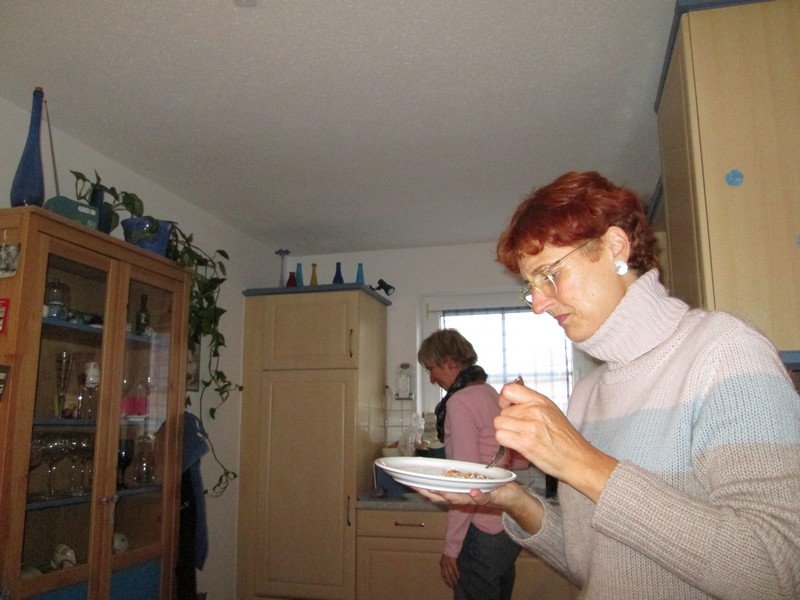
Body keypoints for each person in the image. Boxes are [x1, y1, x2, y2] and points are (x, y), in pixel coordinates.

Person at [416, 171, 800, 598]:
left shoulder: (724, 352)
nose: (538, 304)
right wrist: (510, 499)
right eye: (531, 288)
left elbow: (779, 571)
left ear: (615, 247)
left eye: (549, 275)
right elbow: (591, 563)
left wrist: (580, 462)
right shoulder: (589, 392)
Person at [418, 329, 525, 600]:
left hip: (482, 532)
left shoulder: (460, 402)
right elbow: (517, 461)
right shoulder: (490, 394)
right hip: (507, 527)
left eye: (431, 368)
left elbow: (466, 481)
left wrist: (451, 549)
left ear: (449, 361)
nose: (431, 378)